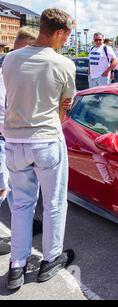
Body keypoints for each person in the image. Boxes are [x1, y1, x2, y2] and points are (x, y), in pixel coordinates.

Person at [2, 8, 77, 290]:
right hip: (45, 139)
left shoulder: (9, 59)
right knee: (55, 202)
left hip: (14, 141)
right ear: (58, 32)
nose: (66, 42)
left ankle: (17, 266)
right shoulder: (62, 64)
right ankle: (50, 259)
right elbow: (64, 108)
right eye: (66, 36)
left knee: (21, 205)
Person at [0, 27, 44, 257]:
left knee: (17, 193)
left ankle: (23, 228)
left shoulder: (10, 68)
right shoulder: (6, 72)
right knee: (3, 189)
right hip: (8, 138)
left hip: (11, 138)